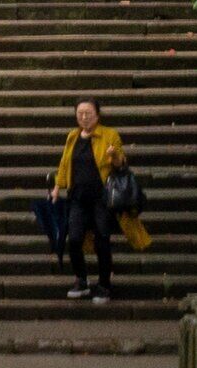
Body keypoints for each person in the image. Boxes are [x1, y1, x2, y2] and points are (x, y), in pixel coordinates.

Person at [47, 99, 146, 302]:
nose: (84, 117)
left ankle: (104, 284)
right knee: (74, 239)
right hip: (77, 198)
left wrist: (115, 155)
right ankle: (81, 280)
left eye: (88, 113)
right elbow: (64, 164)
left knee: (102, 239)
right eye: (80, 113)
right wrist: (57, 187)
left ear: (97, 115)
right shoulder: (73, 137)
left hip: (102, 198)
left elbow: (121, 164)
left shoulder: (109, 135)